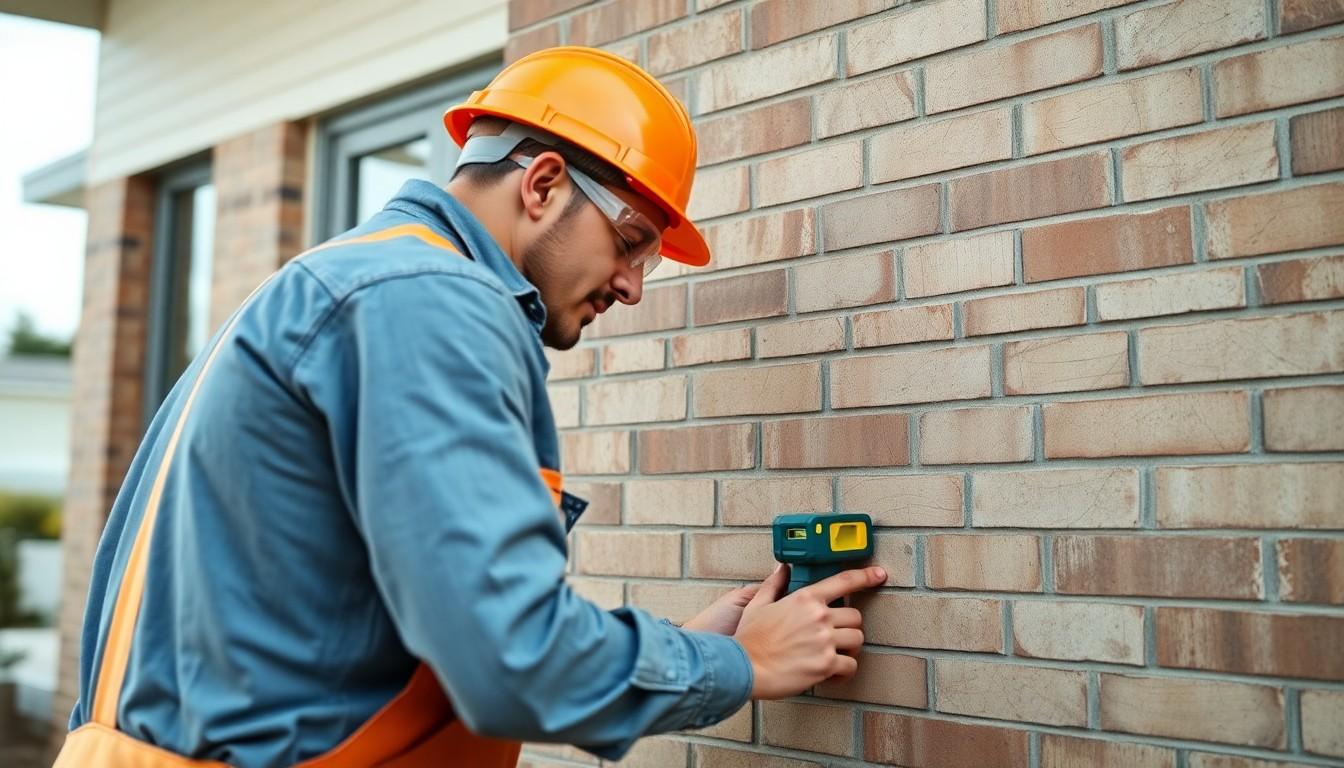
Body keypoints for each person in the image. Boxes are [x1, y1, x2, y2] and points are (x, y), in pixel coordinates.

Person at [54, 47, 886, 767]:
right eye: (632, 240)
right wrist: (736, 666)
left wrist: (699, 646)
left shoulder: (357, 281)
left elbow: (422, 638)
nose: (634, 285)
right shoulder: (431, 303)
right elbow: (510, 661)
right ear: (544, 183)